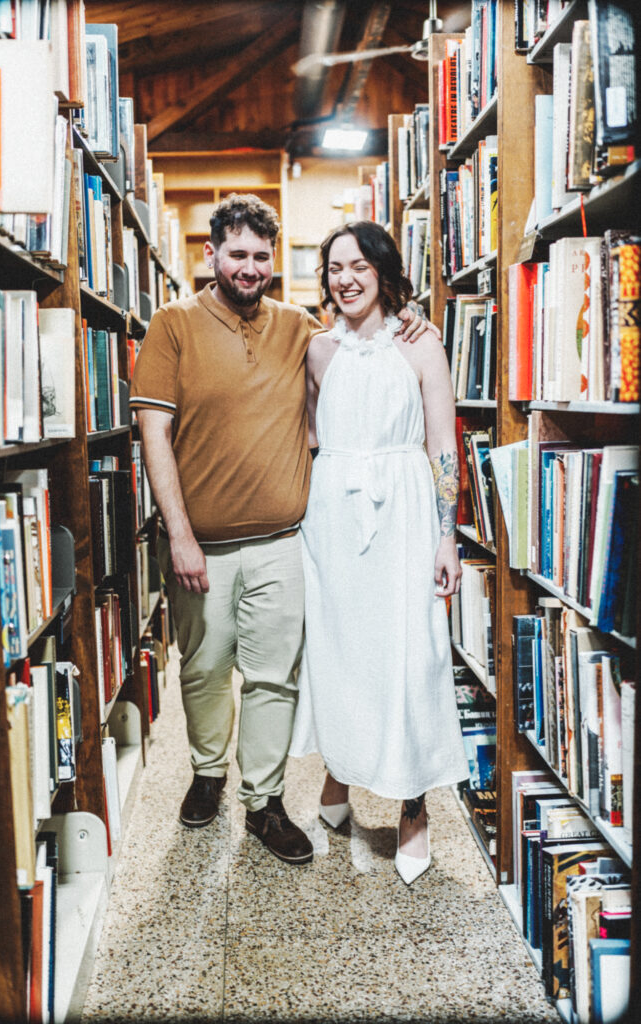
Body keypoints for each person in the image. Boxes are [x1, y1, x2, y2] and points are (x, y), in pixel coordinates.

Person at [129, 194, 433, 865]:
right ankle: (208, 772)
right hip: (201, 546)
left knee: (274, 679)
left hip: (284, 543)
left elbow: (363, 338)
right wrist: (179, 535)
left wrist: (407, 314)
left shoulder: (300, 328)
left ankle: (264, 801)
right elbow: (154, 436)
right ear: (210, 254)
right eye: (237, 254)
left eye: (261, 256)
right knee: (205, 670)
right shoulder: (172, 324)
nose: (250, 267)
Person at [289, 220, 469, 884]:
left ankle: (413, 805)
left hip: (405, 511)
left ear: (384, 271)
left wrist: (447, 534)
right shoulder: (317, 349)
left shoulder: (421, 343)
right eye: (335, 267)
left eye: (359, 266)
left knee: (410, 656)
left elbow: (442, 446)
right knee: (340, 651)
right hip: (333, 514)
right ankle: (339, 773)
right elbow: (309, 433)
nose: (346, 279)